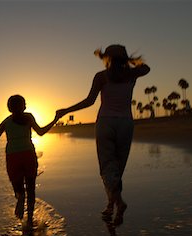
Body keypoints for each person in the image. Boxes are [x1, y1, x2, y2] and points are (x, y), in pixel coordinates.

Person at [56, 44, 150, 226]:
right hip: (125, 124)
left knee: (108, 168)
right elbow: (146, 68)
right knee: (118, 168)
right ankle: (110, 205)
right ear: (124, 58)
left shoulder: (102, 76)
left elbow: (89, 101)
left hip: (105, 123)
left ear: (107, 58)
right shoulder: (132, 74)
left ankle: (118, 203)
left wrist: (66, 110)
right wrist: (130, 62)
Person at [0, 95, 59, 228]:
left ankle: (20, 197)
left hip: (12, 156)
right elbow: (41, 132)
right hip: (28, 154)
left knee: (18, 187)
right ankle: (30, 220)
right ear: (24, 106)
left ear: (9, 108)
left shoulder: (6, 122)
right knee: (31, 189)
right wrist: (55, 119)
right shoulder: (29, 117)